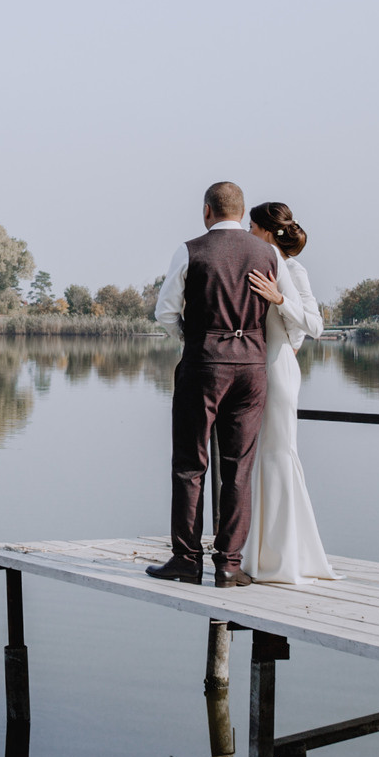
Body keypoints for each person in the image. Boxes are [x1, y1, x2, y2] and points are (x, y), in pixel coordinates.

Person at [149, 181, 306, 588]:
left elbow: (165, 313)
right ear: (240, 213)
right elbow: (290, 309)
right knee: (238, 468)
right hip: (252, 367)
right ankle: (229, 565)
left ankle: (186, 559)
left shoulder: (189, 250)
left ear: (207, 211)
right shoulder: (269, 252)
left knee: (189, 465)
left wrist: (193, 338)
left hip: (203, 364)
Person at [243, 202, 336, 584]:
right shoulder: (252, 266)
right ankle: (256, 550)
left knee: (278, 454)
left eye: (251, 226)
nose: (246, 232)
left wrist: (281, 300)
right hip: (250, 369)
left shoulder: (294, 271)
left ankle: (283, 556)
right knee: (255, 458)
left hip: (278, 372)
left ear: (266, 231)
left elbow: (315, 326)